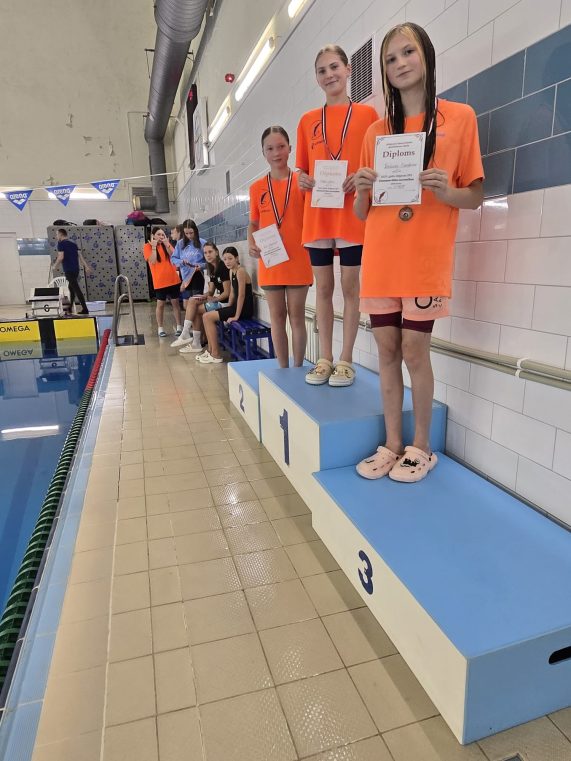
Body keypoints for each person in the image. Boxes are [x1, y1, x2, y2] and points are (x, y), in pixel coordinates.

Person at [354, 22, 484, 483]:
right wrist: (361, 189)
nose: (400, 63)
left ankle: (422, 446)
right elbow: (362, 213)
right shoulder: (376, 132)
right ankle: (393, 444)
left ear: (426, 55)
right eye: (390, 59)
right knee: (387, 350)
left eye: (408, 52)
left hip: (425, 258)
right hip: (381, 258)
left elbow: (475, 195)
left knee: (414, 350)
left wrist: (447, 193)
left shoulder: (459, 118)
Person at [296, 44, 377, 387]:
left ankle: (346, 359)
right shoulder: (307, 121)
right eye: (322, 70)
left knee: (350, 286)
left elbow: (374, 164)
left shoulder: (368, 116)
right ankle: (325, 358)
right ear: (317, 78)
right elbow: (302, 170)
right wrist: (302, 179)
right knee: (324, 287)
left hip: (351, 213)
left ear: (347, 69)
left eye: (334, 67)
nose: (329, 75)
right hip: (318, 214)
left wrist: (360, 176)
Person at [248, 126, 312, 368]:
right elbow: (253, 223)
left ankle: (298, 368)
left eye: (281, 146)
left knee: (297, 316)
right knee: (277, 317)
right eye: (270, 148)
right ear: (263, 153)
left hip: (298, 258)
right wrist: (251, 243)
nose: (276, 153)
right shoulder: (257, 188)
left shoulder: (301, 183)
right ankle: (283, 367)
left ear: (290, 148)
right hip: (271, 259)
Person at [171, 241, 231, 352]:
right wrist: (203, 296)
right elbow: (211, 291)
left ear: (216, 252)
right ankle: (190, 337)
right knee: (192, 300)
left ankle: (193, 340)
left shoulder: (222, 267)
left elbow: (227, 293)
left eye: (210, 252)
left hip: (225, 304)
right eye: (205, 253)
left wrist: (214, 299)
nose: (208, 255)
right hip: (218, 300)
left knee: (196, 309)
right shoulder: (212, 268)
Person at [198, 246, 254, 364]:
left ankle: (216, 355)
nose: (227, 262)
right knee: (206, 316)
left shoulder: (240, 271)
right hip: (235, 307)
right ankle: (210, 351)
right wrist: (227, 308)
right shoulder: (231, 271)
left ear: (236, 258)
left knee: (207, 317)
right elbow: (232, 294)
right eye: (225, 259)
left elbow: (241, 296)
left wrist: (236, 316)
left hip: (245, 309)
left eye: (230, 258)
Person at [143, 227, 183, 337]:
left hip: (173, 279)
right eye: (159, 234)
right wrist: (154, 247)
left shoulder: (166, 244)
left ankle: (179, 326)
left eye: (163, 234)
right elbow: (152, 260)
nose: (161, 236)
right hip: (160, 281)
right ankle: (160, 328)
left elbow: (174, 257)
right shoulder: (147, 246)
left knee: (175, 303)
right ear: (153, 236)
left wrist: (167, 244)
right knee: (160, 305)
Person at [55, 229, 92, 315]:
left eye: (57, 235)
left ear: (61, 234)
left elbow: (60, 257)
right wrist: (86, 266)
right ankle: (70, 308)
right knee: (71, 288)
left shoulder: (61, 244)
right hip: (76, 270)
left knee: (76, 289)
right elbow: (80, 257)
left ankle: (85, 309)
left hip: (68, 270)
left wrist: (55, 265)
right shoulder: (74, 244)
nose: (56, 237)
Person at [170, 219, 207, 308]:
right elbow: (173, 258)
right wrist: (181, 261)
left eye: (191, 233)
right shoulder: (180, 243)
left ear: (195, 231)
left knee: (196, 304)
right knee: (186, 305)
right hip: (185, 277)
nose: (189, 236)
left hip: (197, 275)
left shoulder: (202, 243)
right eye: (186, 233)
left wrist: (201, 266)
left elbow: (208, 262)